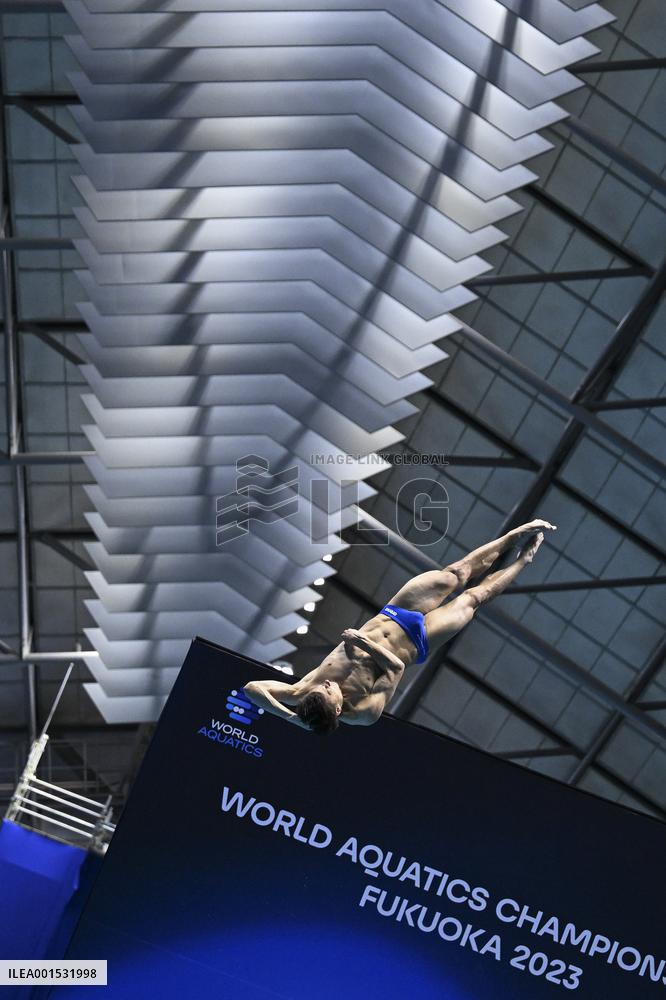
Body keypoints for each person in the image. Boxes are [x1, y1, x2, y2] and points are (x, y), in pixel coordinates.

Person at [243, 519, 556, 735]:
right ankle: (523, 560)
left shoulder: (303, 691)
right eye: (328, 692)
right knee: (474, 598)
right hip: (419, 641)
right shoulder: (363, 713)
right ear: (338, 710)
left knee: (455, 573)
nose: (324, 684)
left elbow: (252, 689)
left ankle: (514, 535)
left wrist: (292, 718)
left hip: (396, 612)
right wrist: (362, 643)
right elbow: (395, 668)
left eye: (320, 688)